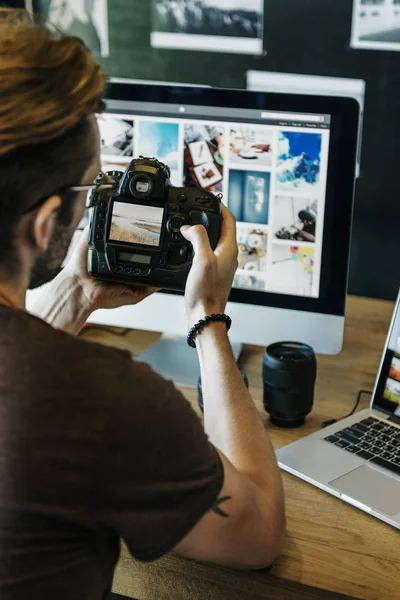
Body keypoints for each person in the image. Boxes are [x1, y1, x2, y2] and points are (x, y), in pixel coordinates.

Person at [0, 13, 285, 600]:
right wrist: (208, 317)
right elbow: (257, 532)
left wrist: (78, 293)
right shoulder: (102, 400)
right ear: (49, 221)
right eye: (93, 189)